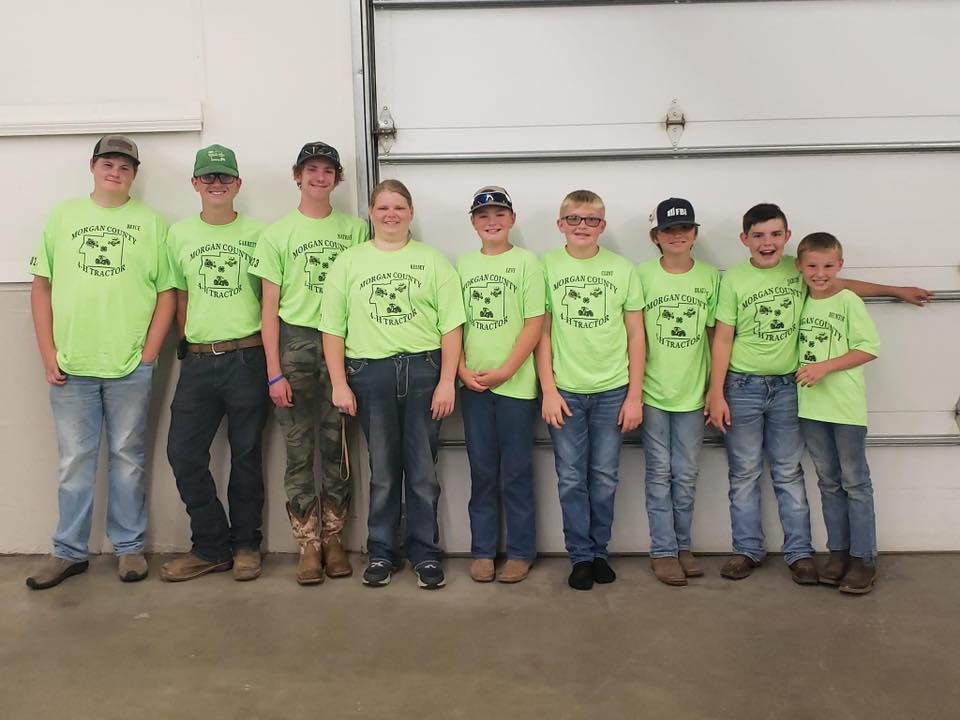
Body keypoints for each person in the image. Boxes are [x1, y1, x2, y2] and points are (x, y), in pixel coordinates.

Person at [706, 203, 930, 584]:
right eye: (758, 235)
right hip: (742, 386)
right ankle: (747, 549)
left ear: (787, 237)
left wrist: (894, 290)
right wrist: (716, 391)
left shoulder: (802, 268)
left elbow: (844, 285)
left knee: (788, 471)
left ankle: (799, 554)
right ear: (745, 240)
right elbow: (723, 336)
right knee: (743, 471)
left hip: (789, 387)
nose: (767, 242)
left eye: (775, 234)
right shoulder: (734, 280)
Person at [26, 135, 175, 590]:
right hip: (72, 364)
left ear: (134, 175)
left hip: (130, 364)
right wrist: (48, 353)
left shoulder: (152, 224)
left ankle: (129, 548)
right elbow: (41, 287)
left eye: (125, 167)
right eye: (108, 163)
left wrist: (148, 355)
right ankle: (68, 551)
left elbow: (167, 294)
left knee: (128, 457)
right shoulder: (63, 217)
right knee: (75, 461)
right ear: (92, 167)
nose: (116, 172)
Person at [320, 179, 465, 590]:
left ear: (411, 213)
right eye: (383, 207)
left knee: (421, 472)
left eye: (399, 207)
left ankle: (424, 553)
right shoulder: (349, 263)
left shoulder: (432, 261)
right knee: (383, 470)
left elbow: (452, 325)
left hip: (423, 372)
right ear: (370, 212)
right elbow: (332, 329)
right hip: (370, 373)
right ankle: (382, 552)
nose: (390, 215)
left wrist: (447, 382)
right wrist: (338, 384)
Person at [250, 142, 368, 585]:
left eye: (327, 171)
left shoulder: (355, 231)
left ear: (337, 179)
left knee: (336, 446)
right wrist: (273, 370)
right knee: (298, 450)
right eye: (311, 170)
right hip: (295, 343)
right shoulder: (277, 235)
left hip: (343, 343)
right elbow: (268, 309)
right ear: (297, 176)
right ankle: (308, 543)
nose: (320, 177)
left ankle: (335, 538)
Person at [160, 145, 269, 582]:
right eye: (209, 177)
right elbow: (180, 298)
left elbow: (268, 300)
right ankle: (210, 545)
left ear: (238, 184)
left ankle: (246, 545)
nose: (217, 184)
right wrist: (191, 344)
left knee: (245, 455)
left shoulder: (261, 234)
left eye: (225, 178)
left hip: (248, 357)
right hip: (200, 361)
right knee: (182, 453)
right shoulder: (179, 235)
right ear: (195, 184)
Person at [536, 189, 645, 591]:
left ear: (603, 225)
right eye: (574, 219)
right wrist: (548, 389)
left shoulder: (622, 269)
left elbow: (636, 334)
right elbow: (541, 333)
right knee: (570, 478)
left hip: (612, 390)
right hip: (565, 390)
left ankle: (599, 551)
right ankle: (579, 555)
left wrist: (635, 394)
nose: (583, 227)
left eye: (592, 220)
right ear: (560, 224)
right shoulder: (545, 266)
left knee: (604, 476)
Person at [456, 186, 545, 584]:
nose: (492, 222)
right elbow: (451, 325)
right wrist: (459, 369)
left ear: (512, 218)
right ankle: (483, 550)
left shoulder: (527, 264)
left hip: (515, 386)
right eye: (483, 216)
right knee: (482, 470)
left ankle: (522, 551)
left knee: (516, 470)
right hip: (474, 386)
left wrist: (508, 369)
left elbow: (534, 323)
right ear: (473, 222)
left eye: (499, 214)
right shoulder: (461, 266)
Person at [636, 198, 720, 586]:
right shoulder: (642, 276)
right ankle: (663, 550)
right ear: (656, 236)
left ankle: (684, 546)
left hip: (692, 394)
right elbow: (631, 335)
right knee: (659, 473)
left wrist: (715, 390)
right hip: (653, 393)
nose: (677, 235)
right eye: (669, 230)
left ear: (695, 234)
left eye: (684, 228)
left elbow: (717, 336)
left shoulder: (710, 278)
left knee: (685, 474)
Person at [794, 232, 880, 594]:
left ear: (839, 266)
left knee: (855, 483)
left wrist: (825, 367)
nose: (820, 273)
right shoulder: (800, 301)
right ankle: (839, 553)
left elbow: (868, 348)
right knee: (828, 482)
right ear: (799, 266)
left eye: (828, 266)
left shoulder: (847, 301)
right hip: (811, 408)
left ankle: (864, 559)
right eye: (812, 266)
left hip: (845, 409)